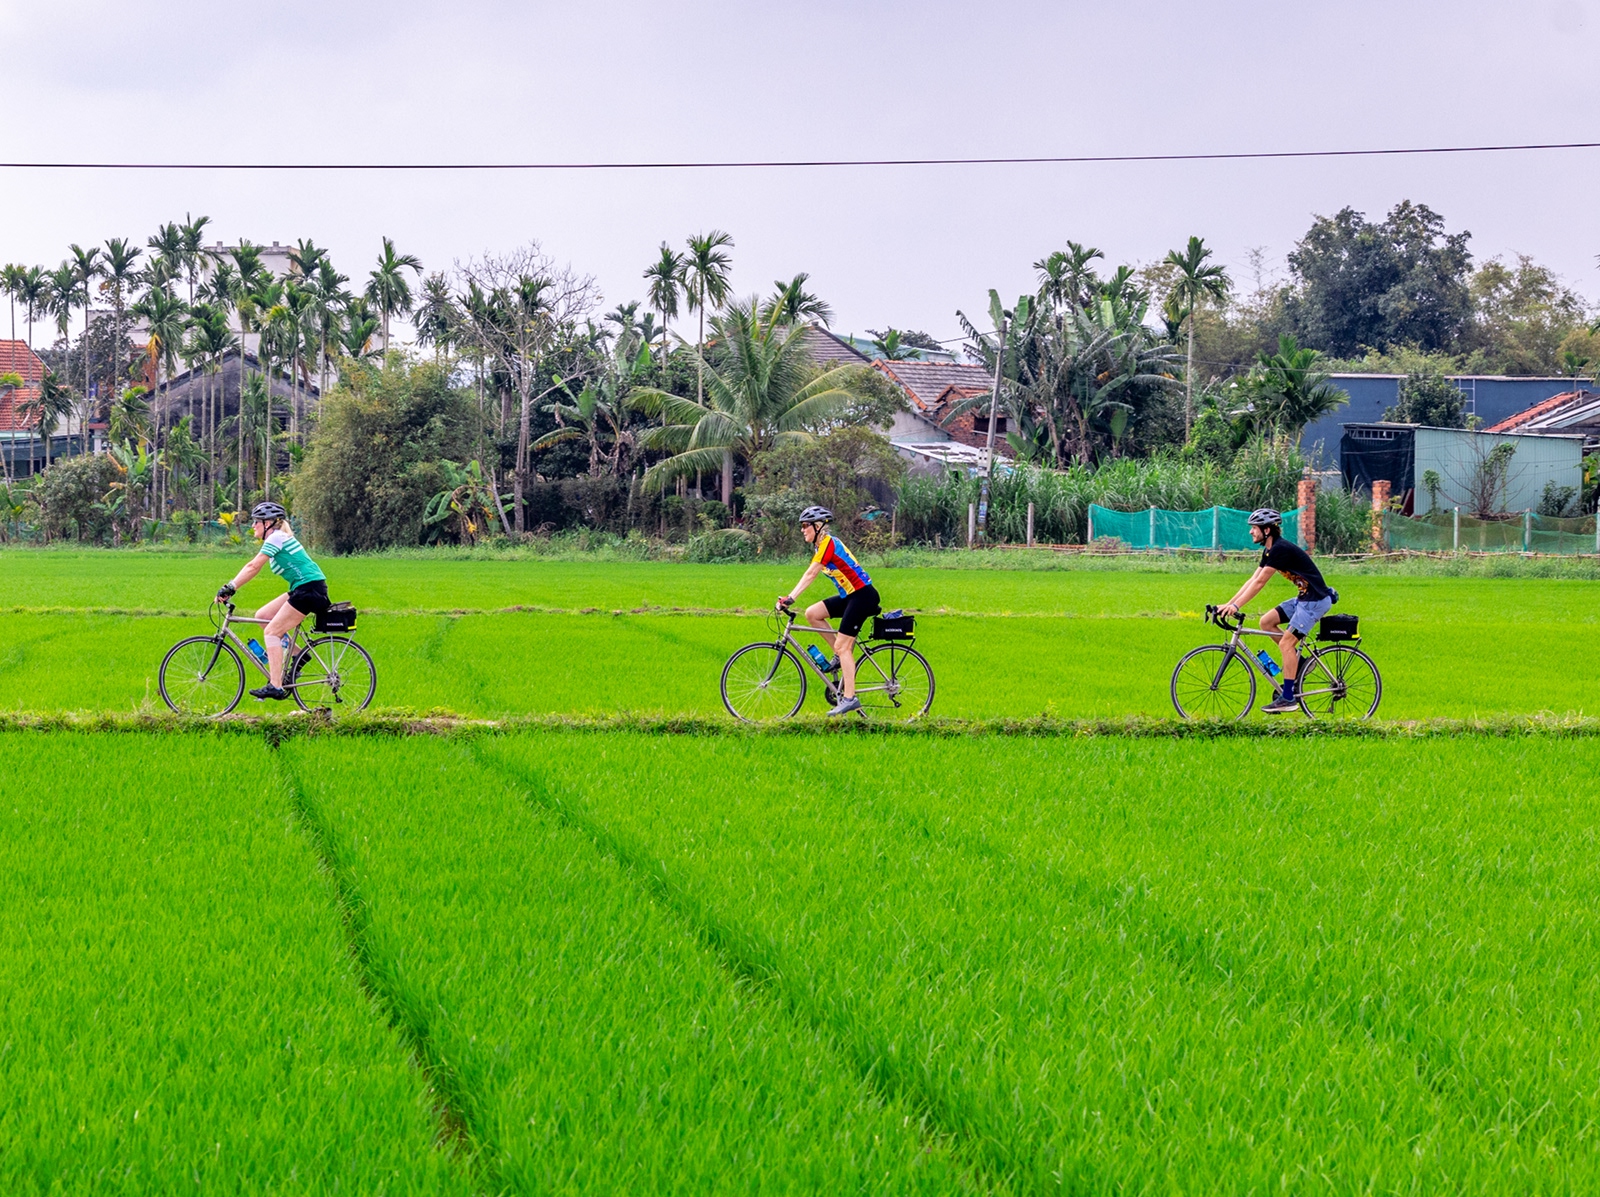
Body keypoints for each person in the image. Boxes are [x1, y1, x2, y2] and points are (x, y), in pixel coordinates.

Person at [1218, 507, 1337, 714]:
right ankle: (1299, 664)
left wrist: (1236, 607)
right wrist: (1228, 604)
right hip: (1304, 598)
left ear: (1267, 530)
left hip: (1315, 601)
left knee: (1286, 643)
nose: (1250, 532)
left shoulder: (1280, 549)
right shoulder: (1269, 550)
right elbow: (1252, 579)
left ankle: (1289, 697)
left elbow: (1260, 583)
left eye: (1254, 528)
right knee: (1266, 622)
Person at [216, 502, 331, 701]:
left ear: (268, 523)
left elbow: (253, 566)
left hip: (309, 590)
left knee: (272, 631)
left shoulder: (277, 537)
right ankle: (299, 655)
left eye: (256, 522)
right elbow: (253, 566)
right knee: (263, 617)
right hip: (303, 588)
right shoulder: (276, 538)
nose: (252, 526)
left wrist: (230, 587)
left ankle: (276, 685)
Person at [775, 506, 881, 716]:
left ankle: (850, 698)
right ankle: (839, 656)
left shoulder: (828, 543)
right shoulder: (820, 547)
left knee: (844, 647)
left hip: (863, 596)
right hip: (850, 596)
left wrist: (790, 598)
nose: (802, 530)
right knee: (812, 614)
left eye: (805, 526)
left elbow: (811, 573)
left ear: (818, 526)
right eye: (801, 526)